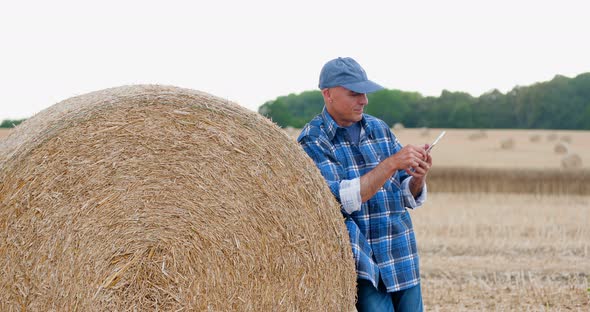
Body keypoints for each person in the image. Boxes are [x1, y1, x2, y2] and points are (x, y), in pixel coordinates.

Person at [297, 57, 432, 312]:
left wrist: (417, 178)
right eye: (355, 93)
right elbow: (339, 200)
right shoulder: (313, 141)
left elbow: (405, 194)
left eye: (365, 93)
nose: (364, 100)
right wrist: (391, 163)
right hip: (363, 264)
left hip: (400, 253)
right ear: (328, 94)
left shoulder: (379, 129)